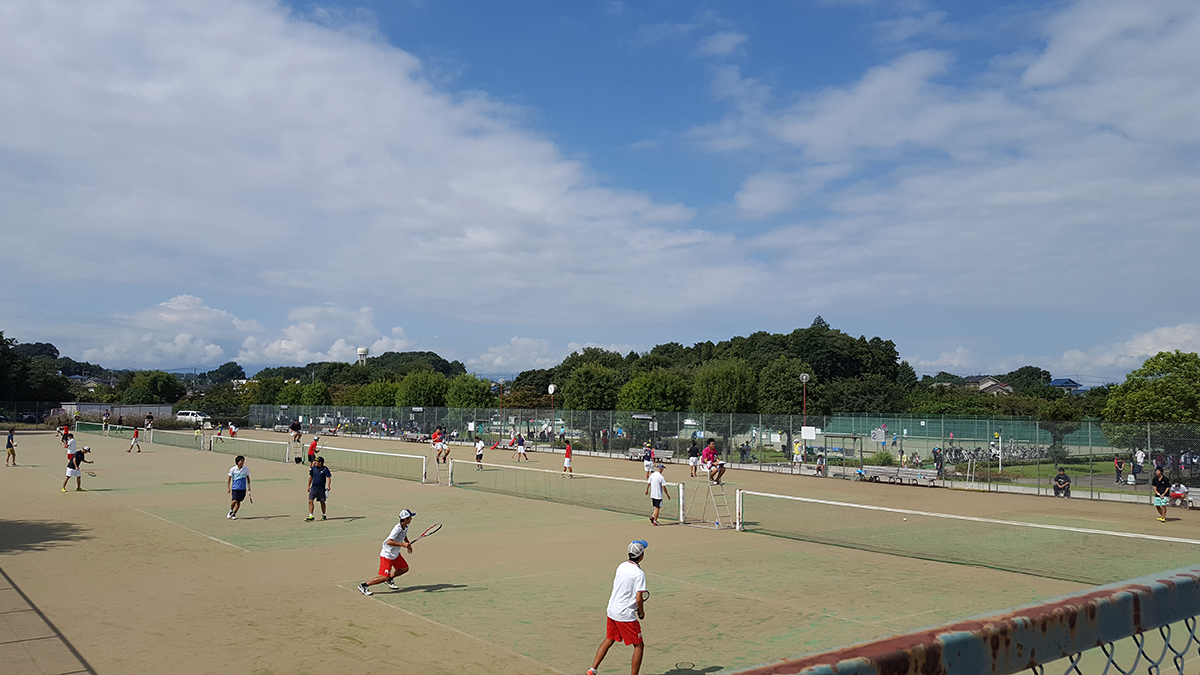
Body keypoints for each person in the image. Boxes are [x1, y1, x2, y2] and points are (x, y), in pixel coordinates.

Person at [586, 539, 651, 675]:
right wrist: (641, 612)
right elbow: (639, 598)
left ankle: (592, 670)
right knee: (639, 645)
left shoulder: (621, 566)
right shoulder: (639, 574)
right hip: (625, 615)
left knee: (609, 639)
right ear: (641, 556)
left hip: (612, 611)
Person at [358, 509, 415, 595]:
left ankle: (389, 579)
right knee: (384, 577)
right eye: (410, 517)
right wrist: (403, 545)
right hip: (387, 555)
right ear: (406, 519)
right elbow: (389, 541)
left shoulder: (406, 526)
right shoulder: (397, 529)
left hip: (395, 555)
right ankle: (364, 585)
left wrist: (408, 544)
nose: (411, 519)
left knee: (404, 569)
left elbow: (404, 535)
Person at [306, 456, 331, 521]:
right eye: (316, 461)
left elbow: (328, 477)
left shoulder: (325, 469)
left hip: (321, 489)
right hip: (313, 488)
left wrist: (328, 486)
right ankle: (311, 515)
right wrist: (308, 486)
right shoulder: (313, 468)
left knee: (322, 502)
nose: (316, 462)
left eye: (317, 461)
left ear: (321, 462)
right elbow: (311, 477)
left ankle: (324, 514)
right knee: (310, 501)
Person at [227, 455, 250, 519]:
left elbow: (248, 478)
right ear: (237, 462)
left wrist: (248, 486)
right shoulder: (233, 469)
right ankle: (231, 510)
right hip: (235, 487)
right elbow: (229, 478)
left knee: (238, 501)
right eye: (241, 461)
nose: (242, 462)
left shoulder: (246, 469)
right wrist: (228, 487)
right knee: (234, 500)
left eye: (243, 461)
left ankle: (234, 514)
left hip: (243, 488)